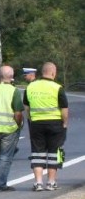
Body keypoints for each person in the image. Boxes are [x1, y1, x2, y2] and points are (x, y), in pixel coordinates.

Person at [23, 62, 69, 191]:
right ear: (53, 73)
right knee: (55, 153)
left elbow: (26, 108)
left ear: (42, 72)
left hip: (37, 123)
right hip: (55, 124)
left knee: (37, 152)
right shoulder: (57, 87)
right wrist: (65, 123)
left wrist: (31, 120)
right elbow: (64, 109)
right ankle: (51, 182)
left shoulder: (31, 87)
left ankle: (38, 183)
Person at [0, 65, 23, 192]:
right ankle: (1, 184)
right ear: (11, 77)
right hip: (9, 128)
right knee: (5, 157)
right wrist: (18, 125)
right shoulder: (14, 91)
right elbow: (18, 113)